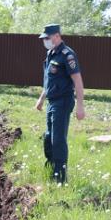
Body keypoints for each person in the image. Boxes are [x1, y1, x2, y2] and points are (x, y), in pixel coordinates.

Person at [34, 24, 86, 184]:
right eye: (44, 39)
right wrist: (41, 99)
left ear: (57, 36)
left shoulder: (67, 55)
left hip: (63, 102)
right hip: (52, 102)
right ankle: (51, 169)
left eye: (47, 38)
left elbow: (77, 81)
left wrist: (80, 106)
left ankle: (60, 177)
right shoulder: (51, 54)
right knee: (49, 138)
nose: (45, 41)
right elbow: (49, 81)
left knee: (58, 139)